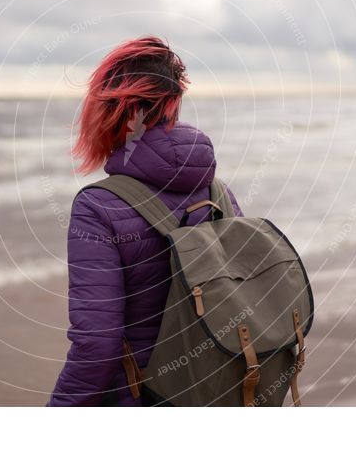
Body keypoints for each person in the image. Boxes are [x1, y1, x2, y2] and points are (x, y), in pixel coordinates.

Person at [47, 36, 243, 406]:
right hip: (221, 394)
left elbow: (97, 344)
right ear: (173, 104)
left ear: (114, 111)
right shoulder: (220, 194)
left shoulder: (99, 207)